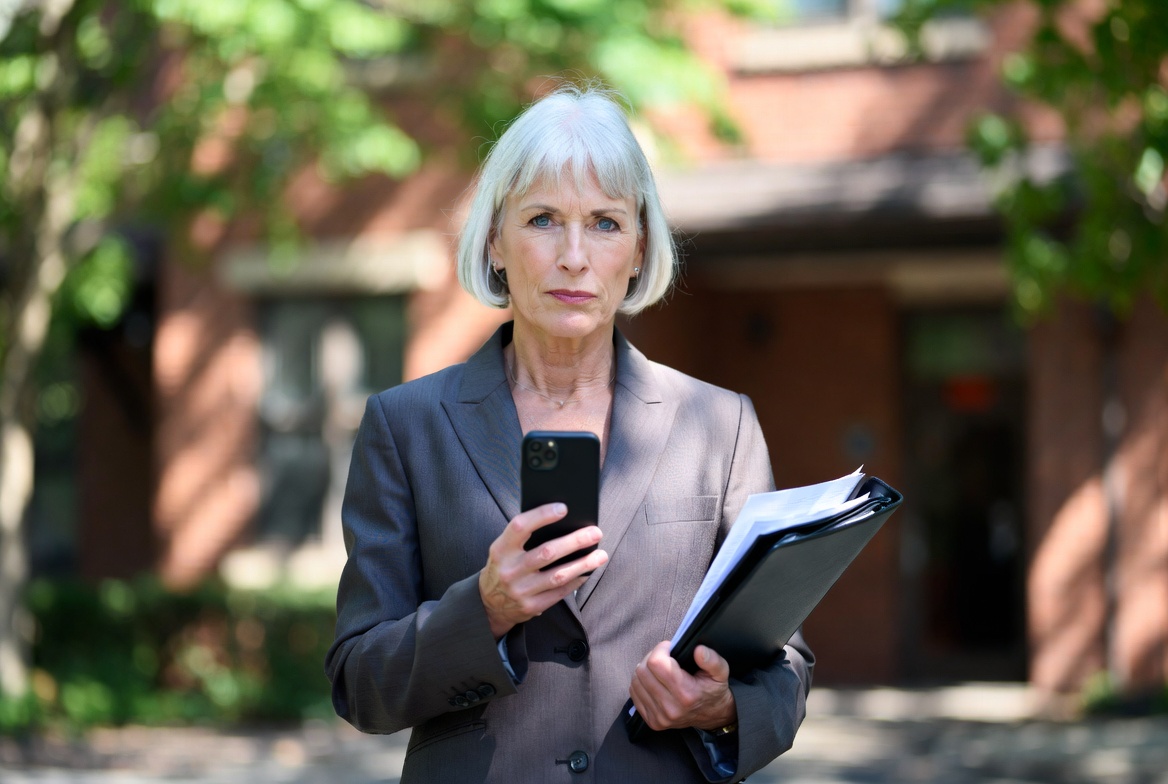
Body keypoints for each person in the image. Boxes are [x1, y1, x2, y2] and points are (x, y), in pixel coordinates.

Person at [325, 82, 813, 783]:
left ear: (640, 249)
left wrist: (721, 705)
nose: (575, 256)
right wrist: (484, 609)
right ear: (495, 242)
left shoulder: (719, 425)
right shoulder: (407, 428)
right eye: (544, 220)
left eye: (606, 223)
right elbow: (358, 682)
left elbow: (786, 664)